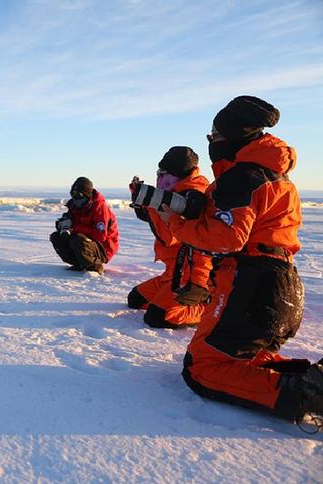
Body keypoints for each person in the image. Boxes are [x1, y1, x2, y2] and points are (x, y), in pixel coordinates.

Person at [165, 95, 322, 424]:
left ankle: (306, 394)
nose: (212, 143)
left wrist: (178, 221)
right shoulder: (276, 177)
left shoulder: (241, 177)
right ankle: (311, 380)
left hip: (250, 284)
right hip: (281, 282)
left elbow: (226, 238)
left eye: (216, 136)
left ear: (233, 137)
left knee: (202, 367)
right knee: (243, 357)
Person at [127, 147, 212, 329]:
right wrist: (142, 203)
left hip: (194, 275)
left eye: (163, 174)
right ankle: (169, 295)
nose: (159, 178)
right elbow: (153, 220)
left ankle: (208, 306)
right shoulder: (173, 195)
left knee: (158, 317)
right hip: (173, 272)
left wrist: (153, 204)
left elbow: (170, 238)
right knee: (135, 299)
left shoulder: (193, 198)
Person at [50, 177, 119, 274]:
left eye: (79, 195)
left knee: (77, 239)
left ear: (87, 195)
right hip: (86, 242)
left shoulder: (99, 208)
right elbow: (69, 222)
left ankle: (95, 266)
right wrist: (61, 225)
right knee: (56, 237)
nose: (75, 199)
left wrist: (75, 228)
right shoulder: (74, 206)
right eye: (73, 195)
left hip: (104, 247)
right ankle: (79, 263)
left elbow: (101, 236)